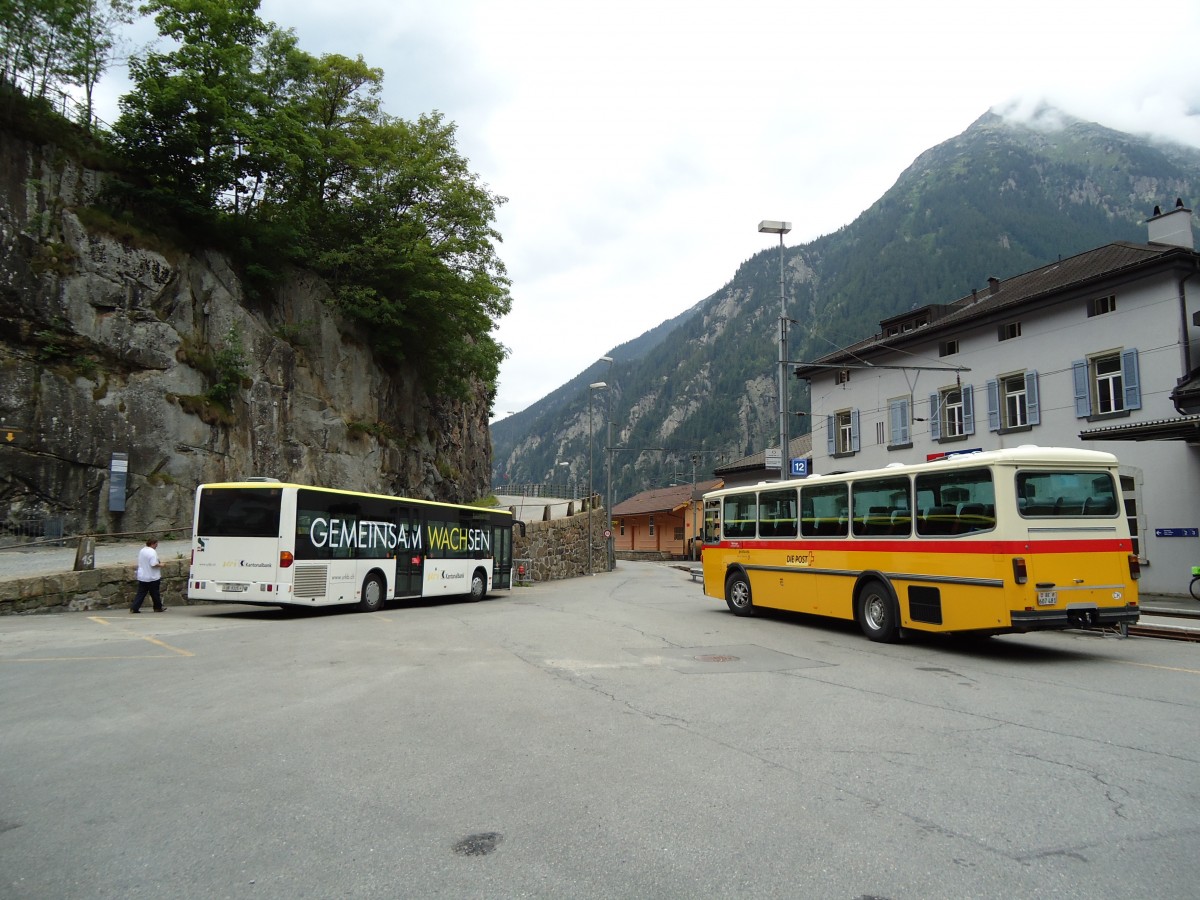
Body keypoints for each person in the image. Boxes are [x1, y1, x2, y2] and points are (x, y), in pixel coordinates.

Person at [131, 538, 165, 613]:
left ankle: (134, 607)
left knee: (141, 593)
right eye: (156, 544)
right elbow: (153, 564)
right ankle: (157, 607)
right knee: (155, 593)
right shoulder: (152, 552)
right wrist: (161, 565)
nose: (157, 546)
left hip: (142, 576)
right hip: (152, 577)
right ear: (152, 544)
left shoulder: (142, 550)